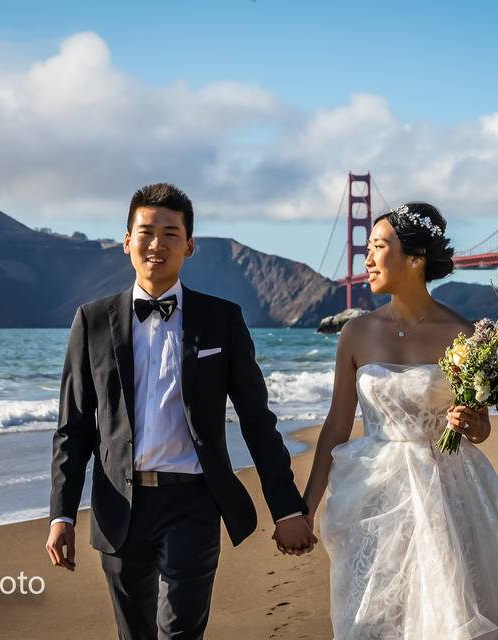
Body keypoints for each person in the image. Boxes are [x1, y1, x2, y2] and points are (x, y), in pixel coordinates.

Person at [45, 182, 316, 640]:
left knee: (181, 634)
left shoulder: (222, 319)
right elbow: (73, 428)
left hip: (193, 501)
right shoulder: (91, 320)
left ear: (189, 245)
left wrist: (287, 508)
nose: (157, 244)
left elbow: (256, 420)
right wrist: (62, 515)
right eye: (146, 232)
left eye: (171, 233)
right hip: (118, 503)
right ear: (127, 240)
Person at [300, 202, 498, 638]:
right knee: (377, 617)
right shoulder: (355, 333)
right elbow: (337, 427)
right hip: (374, 493)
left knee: (447, 606)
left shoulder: (467, 334)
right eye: (367, 248)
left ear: (415, 259)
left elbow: (482, 428)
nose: (367, 258)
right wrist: (303, 509)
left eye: (379, 246)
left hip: (449, 487)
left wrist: (470, 423)